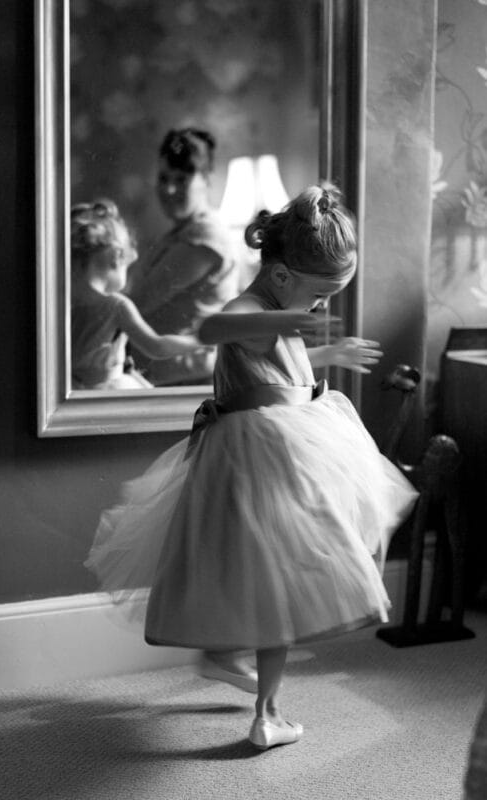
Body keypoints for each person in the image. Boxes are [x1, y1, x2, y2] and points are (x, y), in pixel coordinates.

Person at [85, 183, 419, 750]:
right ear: (283, 276)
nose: (319, 308)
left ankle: (251, 690)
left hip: (289, 446)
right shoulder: (249, 310)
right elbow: (218, 329)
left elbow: (277, 362)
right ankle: (255, 697)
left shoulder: (278, 314)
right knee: (270, 580)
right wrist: (285, 326)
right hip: (255, 456)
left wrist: (325, 354)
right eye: (318, 296)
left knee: (270, 579)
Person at [124, 128, 238, 386]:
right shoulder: (181, 233)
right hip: (164, 375)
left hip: (188, 381)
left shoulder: (205, 238)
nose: (170, 189)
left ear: (207, 180)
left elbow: (141, 300)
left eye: (182, 180)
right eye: (163, 178)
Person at [70, 199, 203, 390]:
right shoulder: (116, 306)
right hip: (109, 392)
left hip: (74, 391)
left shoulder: (63, 304)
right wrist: (198, 340)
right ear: (117, 258)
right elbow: (157, 347)